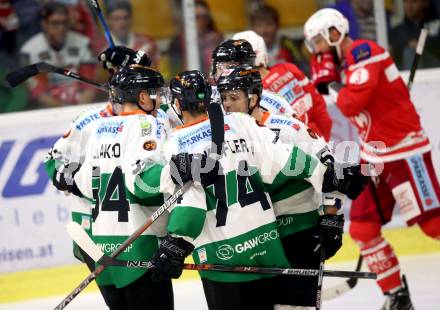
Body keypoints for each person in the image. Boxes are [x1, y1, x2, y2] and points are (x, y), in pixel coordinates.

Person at [145, 70, 366, 310]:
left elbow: (192, 203)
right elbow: (287, 158)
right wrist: (331, 175)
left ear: (176, 104)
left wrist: (177, 242)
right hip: (265, 244)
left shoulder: (176, 143)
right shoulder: (241, 122)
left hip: (224, 254)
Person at [304, 8, 440, 310]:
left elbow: (352, 103)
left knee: (433, 227)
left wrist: (332, 84)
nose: (317, 53)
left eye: (318, 43)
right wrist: (334, 82)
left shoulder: (365, 51)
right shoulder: (348, 64)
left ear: (334, 33)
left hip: (406, 152)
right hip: (375, 156)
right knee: (363, 228)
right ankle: (397, 296)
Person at [216, 65, 352, 309]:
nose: (227, 104)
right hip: (260, 238)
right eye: (224, 97)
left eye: (234, 97)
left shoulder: (287, 127)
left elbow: (332, 169)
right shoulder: (226, 135)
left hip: (297, 230)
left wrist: (332, 218)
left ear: (254, 98)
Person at [47, 64, 173, 310]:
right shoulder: (148, 125)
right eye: (155, 92)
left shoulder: (98, 129)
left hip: (101, 243)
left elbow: (82, 183)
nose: (160, 99)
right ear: (143, 97)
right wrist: (177, 173)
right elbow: (144, 187)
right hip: (139, 241)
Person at [232, 31, 333, 141]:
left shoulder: (254, 95)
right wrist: (322, 139)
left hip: (293, 152)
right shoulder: (289, 68)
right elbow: (318, 104)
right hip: (317, 141)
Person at [19, 2, 96, 108]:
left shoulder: (83, 43)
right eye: (55, 23)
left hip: (81, 105)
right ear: (44, 24)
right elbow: (39, 91)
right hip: (48, 109)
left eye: (64, 23)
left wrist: (80, 109)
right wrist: (63, 109)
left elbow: (89, 83)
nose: (61, 28)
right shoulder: (30, 50)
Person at [168, 0, 223, 77]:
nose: (202, 21)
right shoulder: (178, 42)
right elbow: (175, 71)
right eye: (197, 17)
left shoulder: (217, 38)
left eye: (205, 17)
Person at [249, 4, 309, 73]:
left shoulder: (287, 43)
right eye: (259, 25)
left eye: (269, 24)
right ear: (252, 28)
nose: (264, 30)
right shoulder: (249, 49)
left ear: (277, 25)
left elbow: (303, 68)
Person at [103, 1, 160, 68]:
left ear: (131, 18)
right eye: (116, 19)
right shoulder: (101, 47)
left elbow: (159, 70)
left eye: (126, 17)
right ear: (108, 20)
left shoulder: (148, 43)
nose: (122, 23)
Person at [389, 0, 440, 69]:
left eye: (414, 1)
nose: (409, 6)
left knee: (412, 51)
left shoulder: (435, 25)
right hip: (405, 72)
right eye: (405, 1)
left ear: (425, 3)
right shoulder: (397, 30)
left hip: (433, 71)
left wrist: (419, 44)